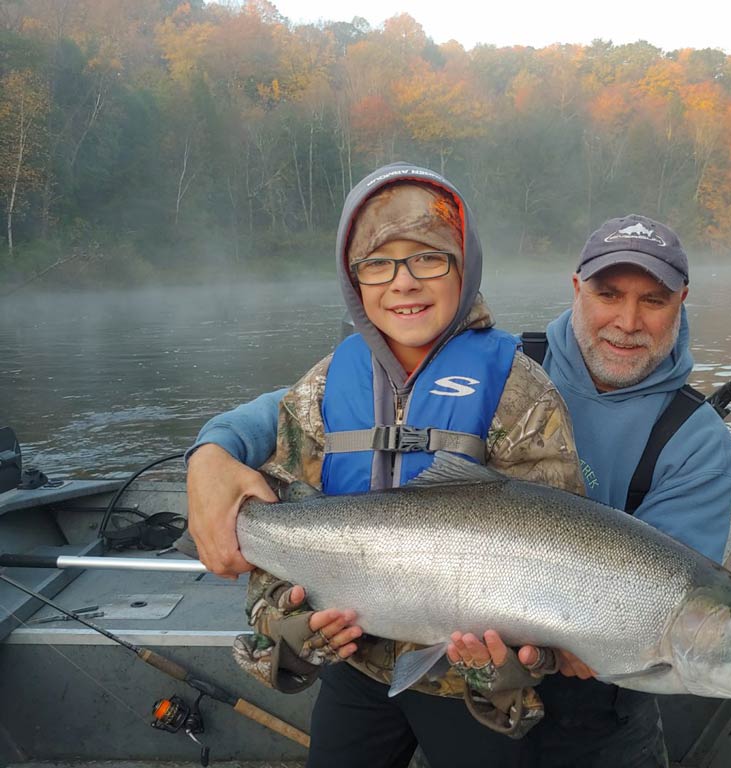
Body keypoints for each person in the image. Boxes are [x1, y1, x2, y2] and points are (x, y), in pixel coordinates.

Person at [191, 212, 731, 767]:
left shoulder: (696, 442)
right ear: (577, 289)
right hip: (436, 632)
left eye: (654, 299)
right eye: (608, 293)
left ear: (682, 302)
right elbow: (320, 401)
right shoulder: (508, 366)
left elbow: (671, 596)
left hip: (592, 693)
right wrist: (213, 451)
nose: (626, 320)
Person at [185, 161, 585, 768]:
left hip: (468, 687)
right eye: (378, 263)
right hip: (354, 673)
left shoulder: (520, 390)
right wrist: (284, 624)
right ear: (354, 281)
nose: (403, 282)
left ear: (465, 266)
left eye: (428, 257)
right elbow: (280, 542)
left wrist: (523, 661)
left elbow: (568, 560)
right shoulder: (319, 390)